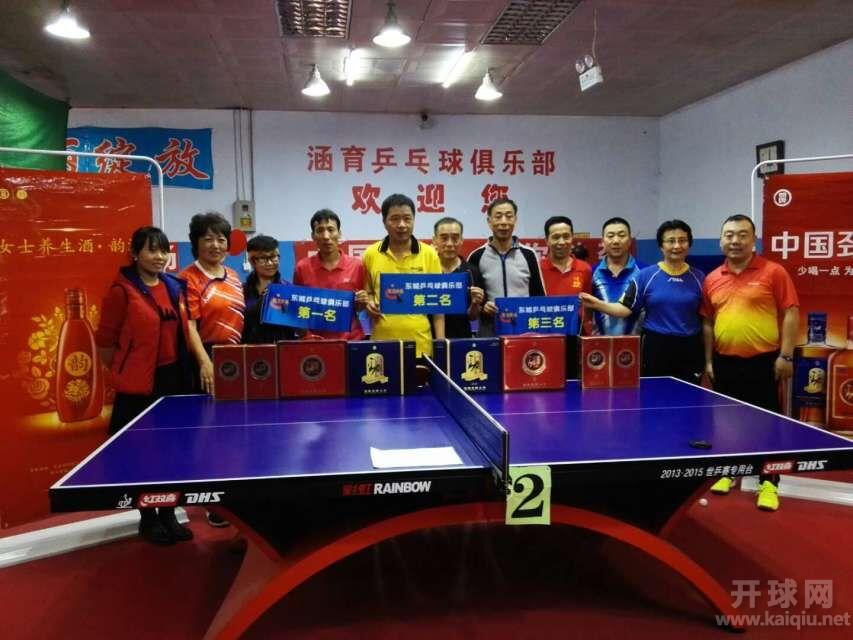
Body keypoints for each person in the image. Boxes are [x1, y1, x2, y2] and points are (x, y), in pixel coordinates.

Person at [96, 226, 195, 545]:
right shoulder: (122, 291)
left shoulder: (175, 286)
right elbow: (105, 343)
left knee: (172, 452)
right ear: (135, 254)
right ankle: (148, 518)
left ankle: (169, 513)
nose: (159, 256)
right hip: (140, 388)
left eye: (163, 250)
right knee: (143, 456)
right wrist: (127, 371)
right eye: (151, 250)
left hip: (174, 379)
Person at [701, 214, 799, 512]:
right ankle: (730, 470)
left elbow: (791, 312)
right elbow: (708, 322)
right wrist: (709, 361)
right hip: (724, 362)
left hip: (764, 362)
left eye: (742, 234)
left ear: (753, 239)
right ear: (721, 240)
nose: (735, 240)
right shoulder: (712, 278)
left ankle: (769, 482)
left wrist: (786, 355)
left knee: (768, 426)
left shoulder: (773, 272)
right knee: (727, 422)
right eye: (729, 234)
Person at [180, 212, 245, 528]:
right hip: (207, 358)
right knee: (209, 433)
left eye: (221, 239)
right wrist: (205, 363)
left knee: (233, 431)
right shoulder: (188, 278)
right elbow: (189, 325)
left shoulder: (233, 275)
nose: (216, 245)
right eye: (208, 238)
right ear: (196, 243)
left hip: (235, 360)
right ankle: (214, 502)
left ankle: (234, 492)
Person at [580, 220, 705, 381]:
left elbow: (706, 320)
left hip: (689, 347)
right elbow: (624, 308)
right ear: (661, 246)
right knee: (653, 394)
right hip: (655, 346)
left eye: (682, 240)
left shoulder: (700, 278)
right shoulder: (646, 275)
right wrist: (596, 304)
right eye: (670, 241)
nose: (676, 246)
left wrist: (708, 359)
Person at [362, 193, 444, 358]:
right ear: (384, 222)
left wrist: (441, 345)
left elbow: (439, 306)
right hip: (381, 344)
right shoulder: (370, 254)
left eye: (407, 219)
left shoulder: (429, 254)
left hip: (420, 344)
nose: (401, 225)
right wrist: (368, 302)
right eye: (394, 219)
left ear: (414, 220)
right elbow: (367, 292)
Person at [467, 198, 545, 336]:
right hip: (490, 328)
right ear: (489, 221)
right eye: (498, 216)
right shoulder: (476, 256)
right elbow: (472, 299)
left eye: (509, 216)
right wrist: (484, 306)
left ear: (515, 220)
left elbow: (539, 296)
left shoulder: (529, 254)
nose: (504, 222)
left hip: (524, 328)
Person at [293, 209, 368, 340]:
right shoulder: (302, 267)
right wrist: (306, 335)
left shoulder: (357, 266)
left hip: (352, 340)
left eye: (331, 229)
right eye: (320, 230)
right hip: (314, 342)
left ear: (339, 233)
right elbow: (297, 307)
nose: (326, 236)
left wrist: (364, 301)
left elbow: (363, 306)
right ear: (313, 236)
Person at [431, 216, 485, 338]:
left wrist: (475, 304)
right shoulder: (426, 271)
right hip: (429, 339)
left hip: (462, 339)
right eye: (444, 238)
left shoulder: (472, 272)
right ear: (434, 240)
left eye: (455, 238)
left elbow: (473, 317)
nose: (450, 244)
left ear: (461, 240)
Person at [540, 215, 593, 335]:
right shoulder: (537, 269)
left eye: (566, 236)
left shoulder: (584, 269)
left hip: (575, 333)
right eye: (556, 237)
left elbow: (589, 307)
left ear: (572, 237)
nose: (561, 242)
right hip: (545, 333)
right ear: (546, 240)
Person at [590, 217, 644, 335]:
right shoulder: (591, 272)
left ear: (629, 240)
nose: (616, 241)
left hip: (636, 343)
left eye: (621, 235)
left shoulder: (644, 272)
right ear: (603, 241)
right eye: (610, 236)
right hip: (599, 343)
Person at [242, 234, 296, 344]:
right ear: (252, 261)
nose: (270, 263)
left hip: (282, 350)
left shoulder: (289, 290)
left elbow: (300, 328)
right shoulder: (241, 291)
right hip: (250, 350)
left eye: (274, 257)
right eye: (264, 258)